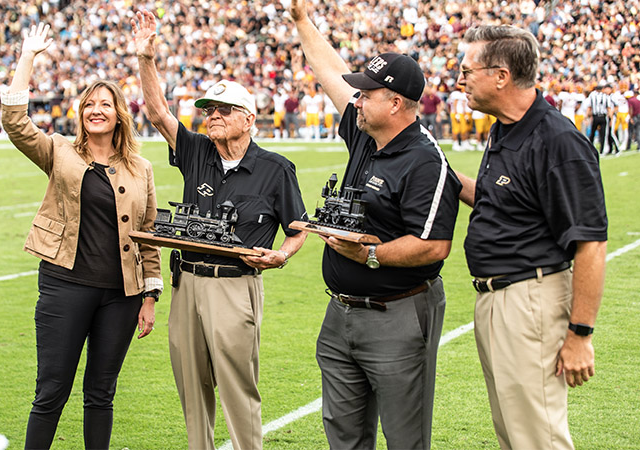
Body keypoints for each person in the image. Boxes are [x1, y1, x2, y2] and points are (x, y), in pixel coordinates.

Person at [289, 1, 462, 448]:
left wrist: (368, 254)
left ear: (397, 103)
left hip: (398, 313)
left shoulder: (424, 159)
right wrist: (302, 21)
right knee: (343, 436)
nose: (357, 100)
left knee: (405, 438)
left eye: (367, 94)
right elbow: (330, 73)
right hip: (341, 311)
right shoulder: (369, 133)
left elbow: (434, 246)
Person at [132, 10, 308, 450]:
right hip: (186, 282)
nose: (212, 116)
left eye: (224, 110)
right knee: (190, 384)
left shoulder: (275, 169)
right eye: (208, 109)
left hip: (235, 285)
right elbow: (157, 113)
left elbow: (298, 228)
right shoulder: (197, 151)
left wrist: (281, 255)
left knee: (237, 387)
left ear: (249, 118)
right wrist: (145, 58)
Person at [0, 23, 163, 449]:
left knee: (101, 395)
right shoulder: (60, 151)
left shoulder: (140, 168)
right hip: (64, 287)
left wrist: (149, 297)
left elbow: (148, 233)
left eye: (105, 105)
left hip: (121, 296)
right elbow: (15, 122)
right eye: (89, 104)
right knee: (51, 392)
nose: (96, 110)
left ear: (118, 114)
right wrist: (28, 57)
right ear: (81, 113)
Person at [455, 25, 607, 450]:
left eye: (467, 70)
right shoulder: (505, 127)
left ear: (500, 76)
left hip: (529, 299)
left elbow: (591, 242)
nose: (459, 79)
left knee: (536, 437)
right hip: (497, 299)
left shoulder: (558, 140)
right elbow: (497, 201)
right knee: (514, 431)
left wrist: (580, 334)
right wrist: (445, 176)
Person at [587, 81, 614, 155]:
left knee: (592, 134)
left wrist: (587, 116)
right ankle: (601, 150)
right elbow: (608, 108)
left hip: (595, 116)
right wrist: (611, 119)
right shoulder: (605, 96)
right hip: (602, 117)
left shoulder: (592, 95)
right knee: (602, 134)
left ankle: (590, 149)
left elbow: (589, 107)